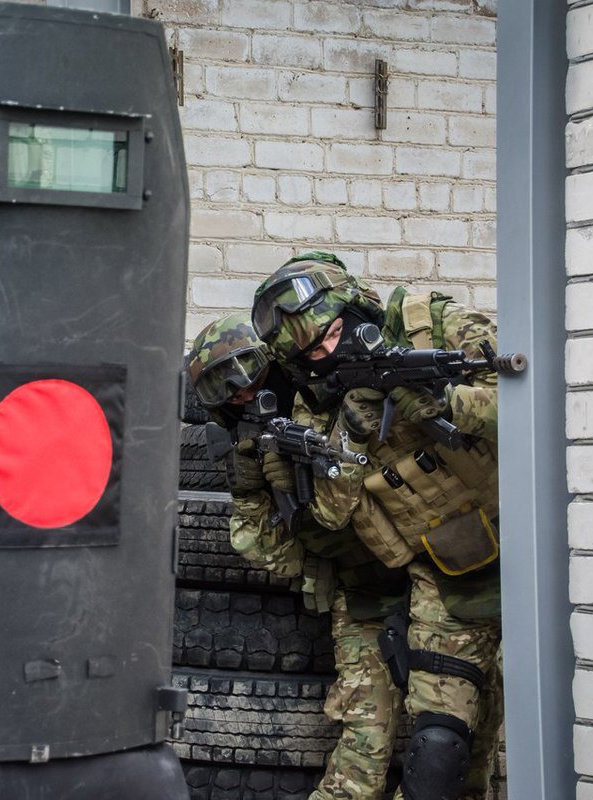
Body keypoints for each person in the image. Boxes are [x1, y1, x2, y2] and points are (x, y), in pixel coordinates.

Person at [250, 252, 503, 800]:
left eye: (333, 333)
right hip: (446, 576)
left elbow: (535, 399)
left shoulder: (434, 326)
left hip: (530, 544)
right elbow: (330, 513)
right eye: (313, 352)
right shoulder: (319, 406)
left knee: (503, 735)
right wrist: (350, 436)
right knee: (440, 747)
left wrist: (447, 404)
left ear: (356, 307)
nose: (328, 352)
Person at [185, 312, 409, 799]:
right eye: (225, 388)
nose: (243, 391)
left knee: (445, 739)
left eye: (248, 372)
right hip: (359, 589)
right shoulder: (246, 440)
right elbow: (267, 549)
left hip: (430, 572)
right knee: (365, 735)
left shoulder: (328, 389)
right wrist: (252, 491)